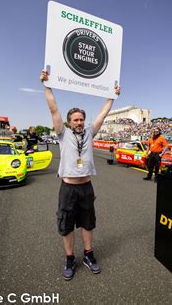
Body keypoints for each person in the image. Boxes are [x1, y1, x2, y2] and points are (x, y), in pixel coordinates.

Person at [40, 69, 120, 280]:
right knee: (66, 225)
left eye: (81, 119)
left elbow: (103, 114)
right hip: (68, 187)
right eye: (75, 120)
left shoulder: (90, 133)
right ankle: (69, 258)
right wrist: (47, 85)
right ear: (68, 122)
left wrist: (112, 96)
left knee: (87, 223)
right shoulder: (62, 133)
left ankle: (88, 254)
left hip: (86, 187)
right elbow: (53, 108)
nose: (79, 122)